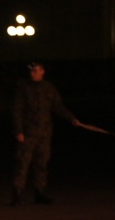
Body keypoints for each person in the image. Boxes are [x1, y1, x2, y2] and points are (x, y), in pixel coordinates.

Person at [11, 62, 79, 206]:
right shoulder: (24, 87)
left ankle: (39, 193)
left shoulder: (48, 88)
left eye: (36, 70)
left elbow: (57, 106)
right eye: (31, 71)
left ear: (42, 71)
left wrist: (71, 118)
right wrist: (18, 130)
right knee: (23, 163)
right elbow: (17, 110)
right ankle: (17, 193)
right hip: (28, 132)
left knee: (41, 163)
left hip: (44, 132)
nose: (33, 73)